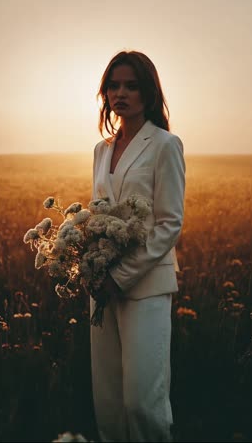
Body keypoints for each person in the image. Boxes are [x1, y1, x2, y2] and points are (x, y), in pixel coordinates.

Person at [90, 50, 186, 442]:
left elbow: (169, 224)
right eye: (113, 85)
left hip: (145, 286)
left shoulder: (165, 144)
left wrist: (122, 277)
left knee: (141, 404)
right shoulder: (100, 150)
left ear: (148, 91)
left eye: (131, 85)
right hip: (101, 289)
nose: (120, 93)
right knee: (110, 404)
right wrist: (91, 268)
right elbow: (97, 215)